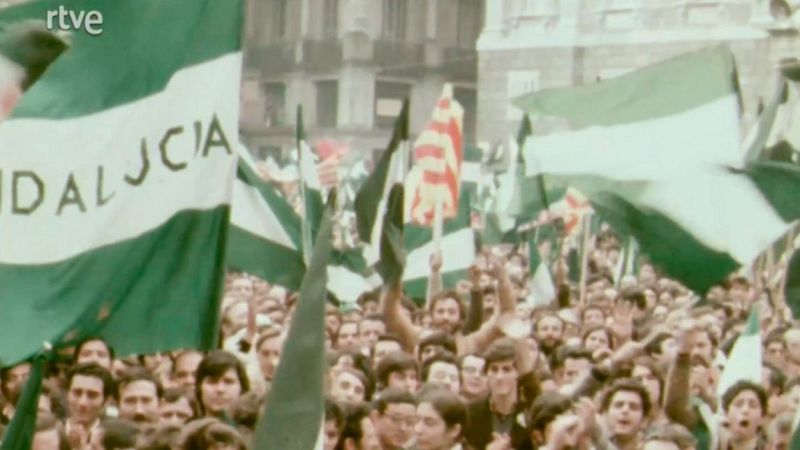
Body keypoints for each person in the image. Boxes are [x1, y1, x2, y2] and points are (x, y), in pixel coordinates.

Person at [65, 362, 115, 449]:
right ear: (67, 394)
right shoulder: (50, 433)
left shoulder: (113, 439)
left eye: (92, 395)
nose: (82, 402)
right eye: (77, 393)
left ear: (106, 401)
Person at [195, 350, 250, 420]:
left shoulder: (259, 430)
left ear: (242, 388)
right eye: (212, 382)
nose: (220, 389)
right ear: (199, 388)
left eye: (228, 382)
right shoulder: (188, 429)